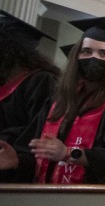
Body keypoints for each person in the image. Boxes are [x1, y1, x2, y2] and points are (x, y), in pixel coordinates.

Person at [0, 17, 105, 183]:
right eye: (86, 51)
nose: (93, 57)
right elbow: (34, 151)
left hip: (86, 199)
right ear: (76, 55)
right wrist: (18, 161)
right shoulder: (60, 98)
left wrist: (68, 153)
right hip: (42, 193)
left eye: (104, 53)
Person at [0, 11, 60, 146]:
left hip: (19, 158)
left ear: (8, 51)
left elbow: (38, 127)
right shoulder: (5, 80)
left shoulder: (42, 81)